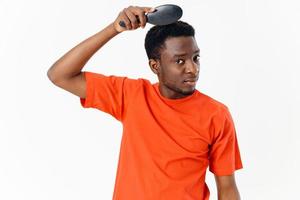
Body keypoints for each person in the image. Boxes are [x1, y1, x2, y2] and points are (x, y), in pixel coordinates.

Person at [47, 5, 243, 200]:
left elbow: (227, 188)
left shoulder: (216, 114)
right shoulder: (131, 95)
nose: (193, 69)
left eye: (196, 58)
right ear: (155, 66)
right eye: (180, 61)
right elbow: (60, 75)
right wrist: (113, 29)